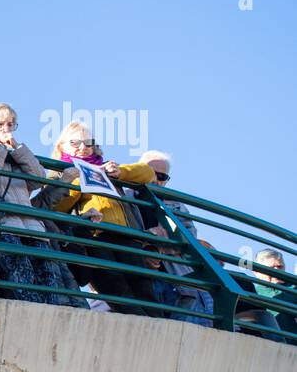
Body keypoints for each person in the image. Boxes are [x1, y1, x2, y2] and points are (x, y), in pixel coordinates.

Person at [46, 122, 161, 316]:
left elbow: (148, 173)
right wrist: (77, 180)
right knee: (113, 285)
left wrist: (119, 172)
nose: (83, 147)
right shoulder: (58, 172)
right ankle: (138, 325)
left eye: (88, 143)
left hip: (127, 236)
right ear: (62, 147)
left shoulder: (105, 168)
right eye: (75, 142)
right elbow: (55, 206)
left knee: (143, 285)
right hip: (95, 237)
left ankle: (159, 328)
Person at [0, 103, 75, 305]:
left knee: (50, 281)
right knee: (22, 279)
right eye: (0, 124)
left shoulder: (17, 154)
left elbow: (38, 179)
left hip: (33, 226)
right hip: (5, 227)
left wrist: (17, 149)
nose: (6, 129)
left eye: (11, 124)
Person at [138, 150, 213, 325]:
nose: (156, 179)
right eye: (150, 173)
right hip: (143, 276)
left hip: (175, 276)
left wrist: (154, 243)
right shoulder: (125, 195)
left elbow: (188, 236)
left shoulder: (176, 203)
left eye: (162, 176)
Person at [252, 248, 297, 337]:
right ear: (256, 272)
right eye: (271, 268)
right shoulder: (252, 291)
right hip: (268, 345)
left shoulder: (295, 286)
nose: (277, 271)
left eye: (280, 267)